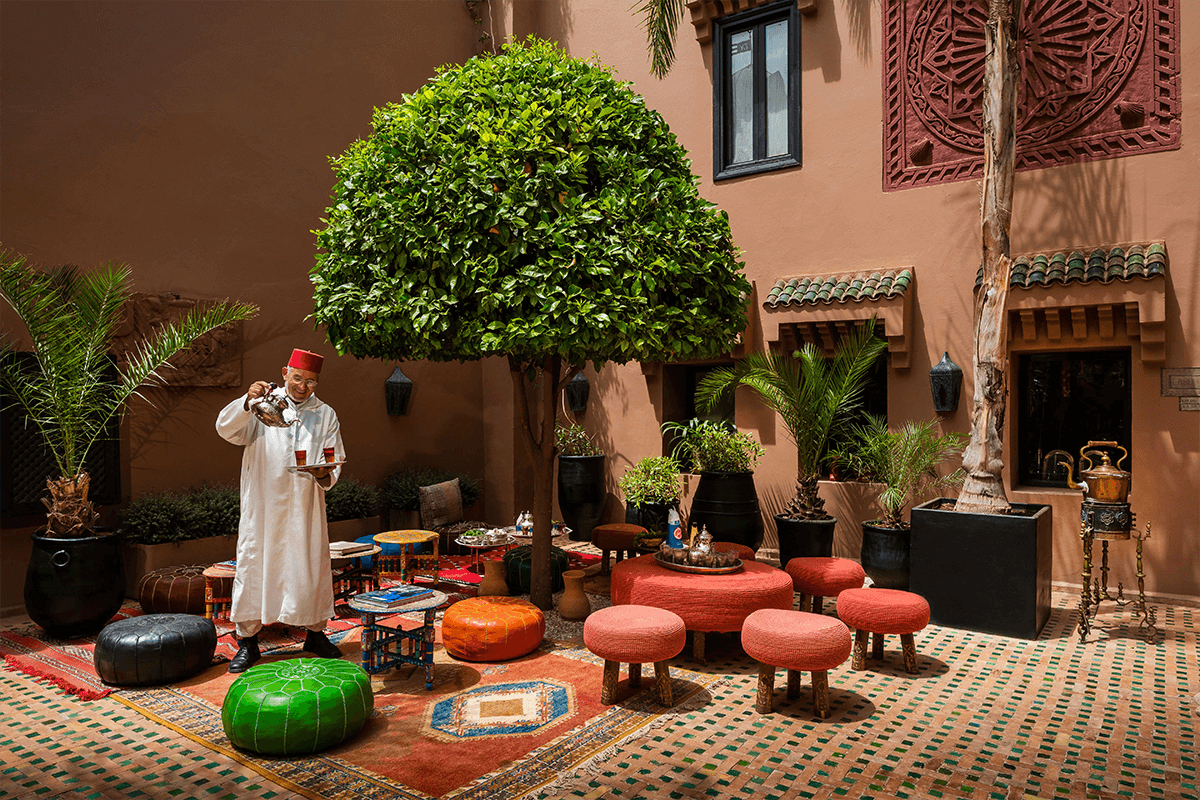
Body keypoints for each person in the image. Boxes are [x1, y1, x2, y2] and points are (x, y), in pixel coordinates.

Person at [215, 348, 345, 672]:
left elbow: (333, 459)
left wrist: (324, 473)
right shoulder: (264, 403)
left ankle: (315, 634)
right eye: (298, 378)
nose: (303, 386)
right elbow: (226, 429)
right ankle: (248, 642)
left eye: (311, 382)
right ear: (285, 372)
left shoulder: (325, 414)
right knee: (254, 565)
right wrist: (247, 402)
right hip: (263, 504)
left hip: (305, 505)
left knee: (309, 565)